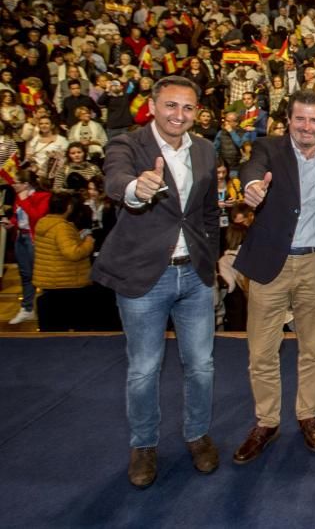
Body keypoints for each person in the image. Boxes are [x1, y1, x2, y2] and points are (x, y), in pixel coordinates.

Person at [91, 76, 220, 488]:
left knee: (201, 366)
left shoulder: (204, 149)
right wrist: (135, 189)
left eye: (187, 108)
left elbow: (207, 211)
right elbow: (116, 182)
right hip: (144, 278)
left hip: (195, 276)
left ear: (197, 112)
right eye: (170, 105)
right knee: (144, 368)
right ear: (152, 105)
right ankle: (144, 444)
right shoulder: (127, 146)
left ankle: (198, 435)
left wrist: (211, 260)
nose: (178, 115)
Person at [232, 89, 315, 464]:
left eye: (314, 120)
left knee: (313, 350)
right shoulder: (268, 148)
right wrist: (252, 187)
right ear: (288, 120)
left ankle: (307, 414)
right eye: (300, 119)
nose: (307, 126)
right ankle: (266, 422)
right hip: (270, 265)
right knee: (261, 352)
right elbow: (251, 171)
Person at [31, 191, 97, 331]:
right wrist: (88, 243)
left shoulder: (43, 223)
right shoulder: (61, 227)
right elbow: (72, 253)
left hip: (49, 282)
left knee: (52, 330)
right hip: (67, 283)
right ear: (68, 207)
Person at [6, 170, 51, 325]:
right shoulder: (18, 196)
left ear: (25, 184)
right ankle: (27, 309)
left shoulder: (42, 196)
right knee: (25, 274)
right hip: (21, 237)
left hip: (35, 239)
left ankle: (47, 309)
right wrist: (12, 222)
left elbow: (37, 216)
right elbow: (17, 215)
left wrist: (24, 201)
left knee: (40, 275)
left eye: (16, 182)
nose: (13, 185)